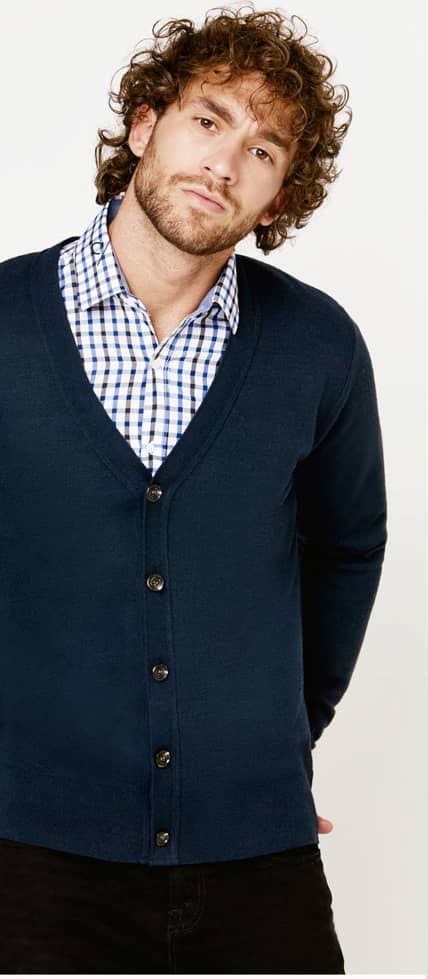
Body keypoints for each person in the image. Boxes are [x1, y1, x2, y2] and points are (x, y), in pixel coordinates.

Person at [0, 4, 388, 973]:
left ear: (278, 195)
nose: (223, 163)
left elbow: (346, 550)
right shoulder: (3, 323)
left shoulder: (317, 346)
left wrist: (280, 740)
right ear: (144, 125)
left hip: (254, 850)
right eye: (207, 120)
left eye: (262, 149)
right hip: (25, 848)